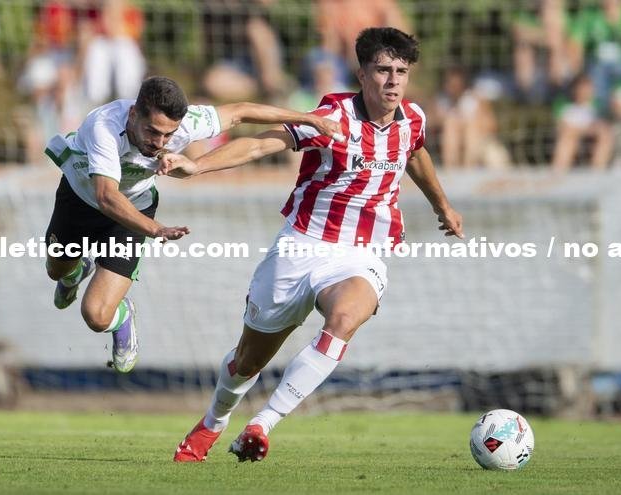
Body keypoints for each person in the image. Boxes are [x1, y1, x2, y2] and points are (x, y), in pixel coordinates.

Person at [163, 27, 464, 463]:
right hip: (301, 245)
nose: (393, 80)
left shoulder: (413, 119)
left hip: (363, 252)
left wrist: (443, 205)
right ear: (362, 74)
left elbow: (415, 153)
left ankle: (262, 425)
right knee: (247, 361)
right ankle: (213, 421)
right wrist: (197, 165)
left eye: (401, 71)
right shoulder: (334, 117)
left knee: (344, 318)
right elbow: (264, 143)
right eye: (383, 70)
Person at [42, 76, 341, 373]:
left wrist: (307, 119)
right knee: (56, 269)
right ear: (133, 114)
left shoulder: (187, 123)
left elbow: (240, 112)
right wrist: (155, 229)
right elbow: (106, 196)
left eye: (168, 135)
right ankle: (74, 273)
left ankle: (123, 316)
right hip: (82, 199)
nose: (159, 143)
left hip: (135, 207)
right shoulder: (104, 126)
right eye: (152, 131)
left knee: (96, 315)